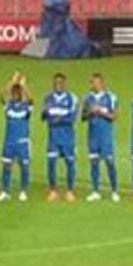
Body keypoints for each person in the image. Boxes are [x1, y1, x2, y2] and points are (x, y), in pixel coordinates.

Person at [0, 72, 33, 202]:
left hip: (22, 142)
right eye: (14, 92)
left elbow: (31, 99)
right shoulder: (9, 106)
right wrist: (12, 82)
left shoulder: (26, 107)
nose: (16, 94)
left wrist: (24, 86)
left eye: (19, 92)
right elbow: (1, 96)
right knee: (6, 166)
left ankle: (24, 191)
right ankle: (5, 191)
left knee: (24, 166)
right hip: (9, 141)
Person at [82, 73, 120, 202]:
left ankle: (114, 191)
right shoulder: (88, 99)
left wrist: (101, 112)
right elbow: (83, 117)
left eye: (97, 82)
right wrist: (90, 112)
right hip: (93, 136)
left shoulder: (111, 97)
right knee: (94, 163)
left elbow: (114, 117)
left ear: (102, 83)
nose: (95, 85)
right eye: (92, 82)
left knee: (109, 162)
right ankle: (95, 191)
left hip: (106, 136)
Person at [42, 73, 78, 202]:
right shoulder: (48, 98)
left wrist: (55, 118)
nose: (58, 85)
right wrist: (46, 113)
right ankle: (53, 191)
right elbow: (44, 117)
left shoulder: (72, 98)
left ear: (64, 83)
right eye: (55, 82)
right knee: (51, 163)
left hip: (68, 138)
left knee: (70, 163)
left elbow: (72, 118)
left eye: (60, 82)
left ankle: (70, 191)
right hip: (53, 138)